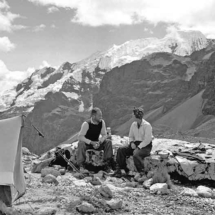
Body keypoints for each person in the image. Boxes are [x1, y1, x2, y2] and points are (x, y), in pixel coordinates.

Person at [113, 107, 153, 177]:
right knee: (121, 150)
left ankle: (141, 171)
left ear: (136, 116)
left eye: (133, 114)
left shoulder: (147, 125)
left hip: (145, 146)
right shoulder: (133, 124)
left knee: (136, 154)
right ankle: (122, 169)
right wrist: (131, 143)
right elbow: (131, 136)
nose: (132, 115)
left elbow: (147, 140)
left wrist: (138, 147)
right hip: (135, 144)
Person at [76, 107, 113, 172]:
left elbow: (104, 135)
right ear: (93, 116)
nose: (101, 117)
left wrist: (100, 142)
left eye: (101, 115)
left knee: (108, 142)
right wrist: (91, 142)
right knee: (81, 143)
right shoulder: (86, 124)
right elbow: (80, 137)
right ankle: (81, 165)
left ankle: (107, 164)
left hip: (97, 142)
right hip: (87, 144)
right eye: (99, 116)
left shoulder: (102, 122)